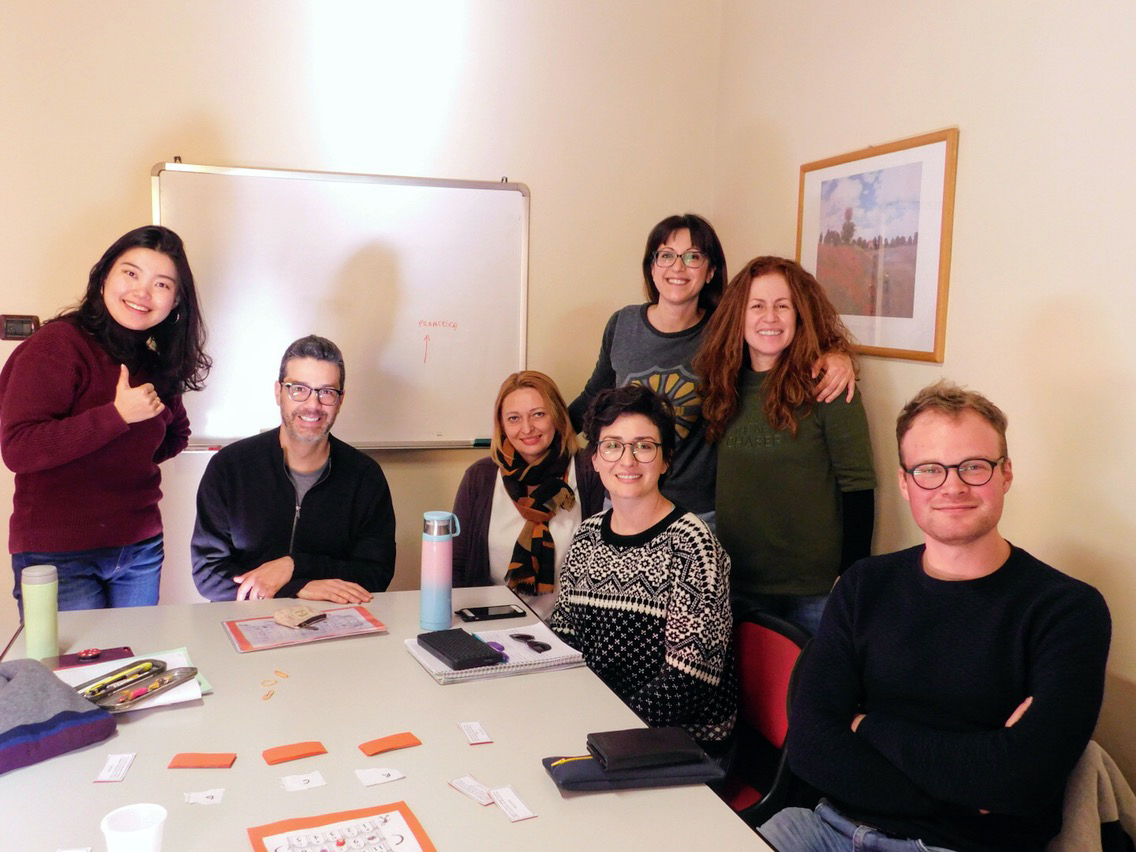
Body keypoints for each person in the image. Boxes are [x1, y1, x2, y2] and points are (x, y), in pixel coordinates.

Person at [760, 381, 1112, 852]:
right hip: (822, 829)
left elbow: (1020, 782)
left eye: (974, 466)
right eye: (930, 469)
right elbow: (810, 745)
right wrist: (970, 788)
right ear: (905, 483)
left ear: (1006, 473)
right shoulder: (865, 584)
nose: (953, 486)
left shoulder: (1068, 610)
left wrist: (865, 726)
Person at [569, 213, 855, 527]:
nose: (678, 267)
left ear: (710, 272)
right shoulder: (622, 324)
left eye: (693, 256)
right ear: (651, 268)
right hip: (624, 500)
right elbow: (594, 398)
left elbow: (781, 337)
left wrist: (837, 355)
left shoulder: (726, 330)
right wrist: (547, 434)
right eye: (666, 255)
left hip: (695, 511)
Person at [0, 225, 210, 611]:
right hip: (59, 555)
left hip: (139, 549)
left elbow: (177, 434)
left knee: (136, 667)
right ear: (103, 279)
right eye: (131, 273)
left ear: (176, 302)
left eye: (162, 284)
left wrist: (126, 455)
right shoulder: (56, 346)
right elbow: (19, 448)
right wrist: (116, 417)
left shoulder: (151, 362)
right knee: (71, 673)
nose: (142, 293)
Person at [696, 256, 876, 634]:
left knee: (809, 692)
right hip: (735, 583)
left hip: (814, 592)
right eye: (757, 306)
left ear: (800, 314)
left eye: (783, 306)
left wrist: (851, 574)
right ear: (738, 316)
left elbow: (858, 486)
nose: (770, 318)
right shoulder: (722, 385)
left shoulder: (828, 385)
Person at [550, 385, 735, 749]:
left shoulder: (691, 544)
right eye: (613, 445)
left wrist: (608, 729)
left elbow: (688, 679)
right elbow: (565, 637)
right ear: (596, 459)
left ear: (666, 460)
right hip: (597, 727)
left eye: (644, 446)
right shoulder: (587, 536)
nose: (628, 461)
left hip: (677, 742)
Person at [191, 335, 396, 603]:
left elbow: (376, 574)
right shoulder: (229, 467)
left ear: (340, 400)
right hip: (245, 619)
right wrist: (296, 587)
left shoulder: (365, 476)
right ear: (278, 393)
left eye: (326, 392)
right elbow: (208, 573)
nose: (313, 405)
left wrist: (294, 566)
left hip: (334, 623)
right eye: (298, 389)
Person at [451, 371, 605, 619]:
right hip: (492, 625)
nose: (527, 428)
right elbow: (455, 566)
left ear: (557, 416)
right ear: (501, 425)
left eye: (538, 414)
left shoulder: (591, 470)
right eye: (514, 418)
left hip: (572, 630)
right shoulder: (480, 477)